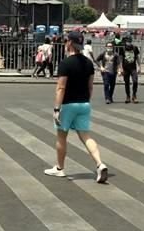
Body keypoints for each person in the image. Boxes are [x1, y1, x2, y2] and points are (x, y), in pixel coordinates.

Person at [45, 31, 109, 182]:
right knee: (86, 136)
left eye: (66, 40)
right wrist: (86, 100)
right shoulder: (88, 64)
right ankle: (100, 164)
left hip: (68, 105)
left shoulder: (65, 63)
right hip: (84, 104)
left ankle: (60, 168)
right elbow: (90, 87)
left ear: (70, 43)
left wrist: (56, 109)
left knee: (62, 136)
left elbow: (61, 88)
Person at [120, 37, 141, 104]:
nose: (128, 43)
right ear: (125, 43)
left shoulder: (135, 48)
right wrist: (121, 68)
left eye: (130, 42)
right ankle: (128, 96)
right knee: (127, 82)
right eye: (127, 42)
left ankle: (134, 95)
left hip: (133, 68)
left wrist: (139, 67)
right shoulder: (122, 49)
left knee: (135, 81)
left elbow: (137, 58)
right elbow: (120, 59)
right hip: (125, 68)